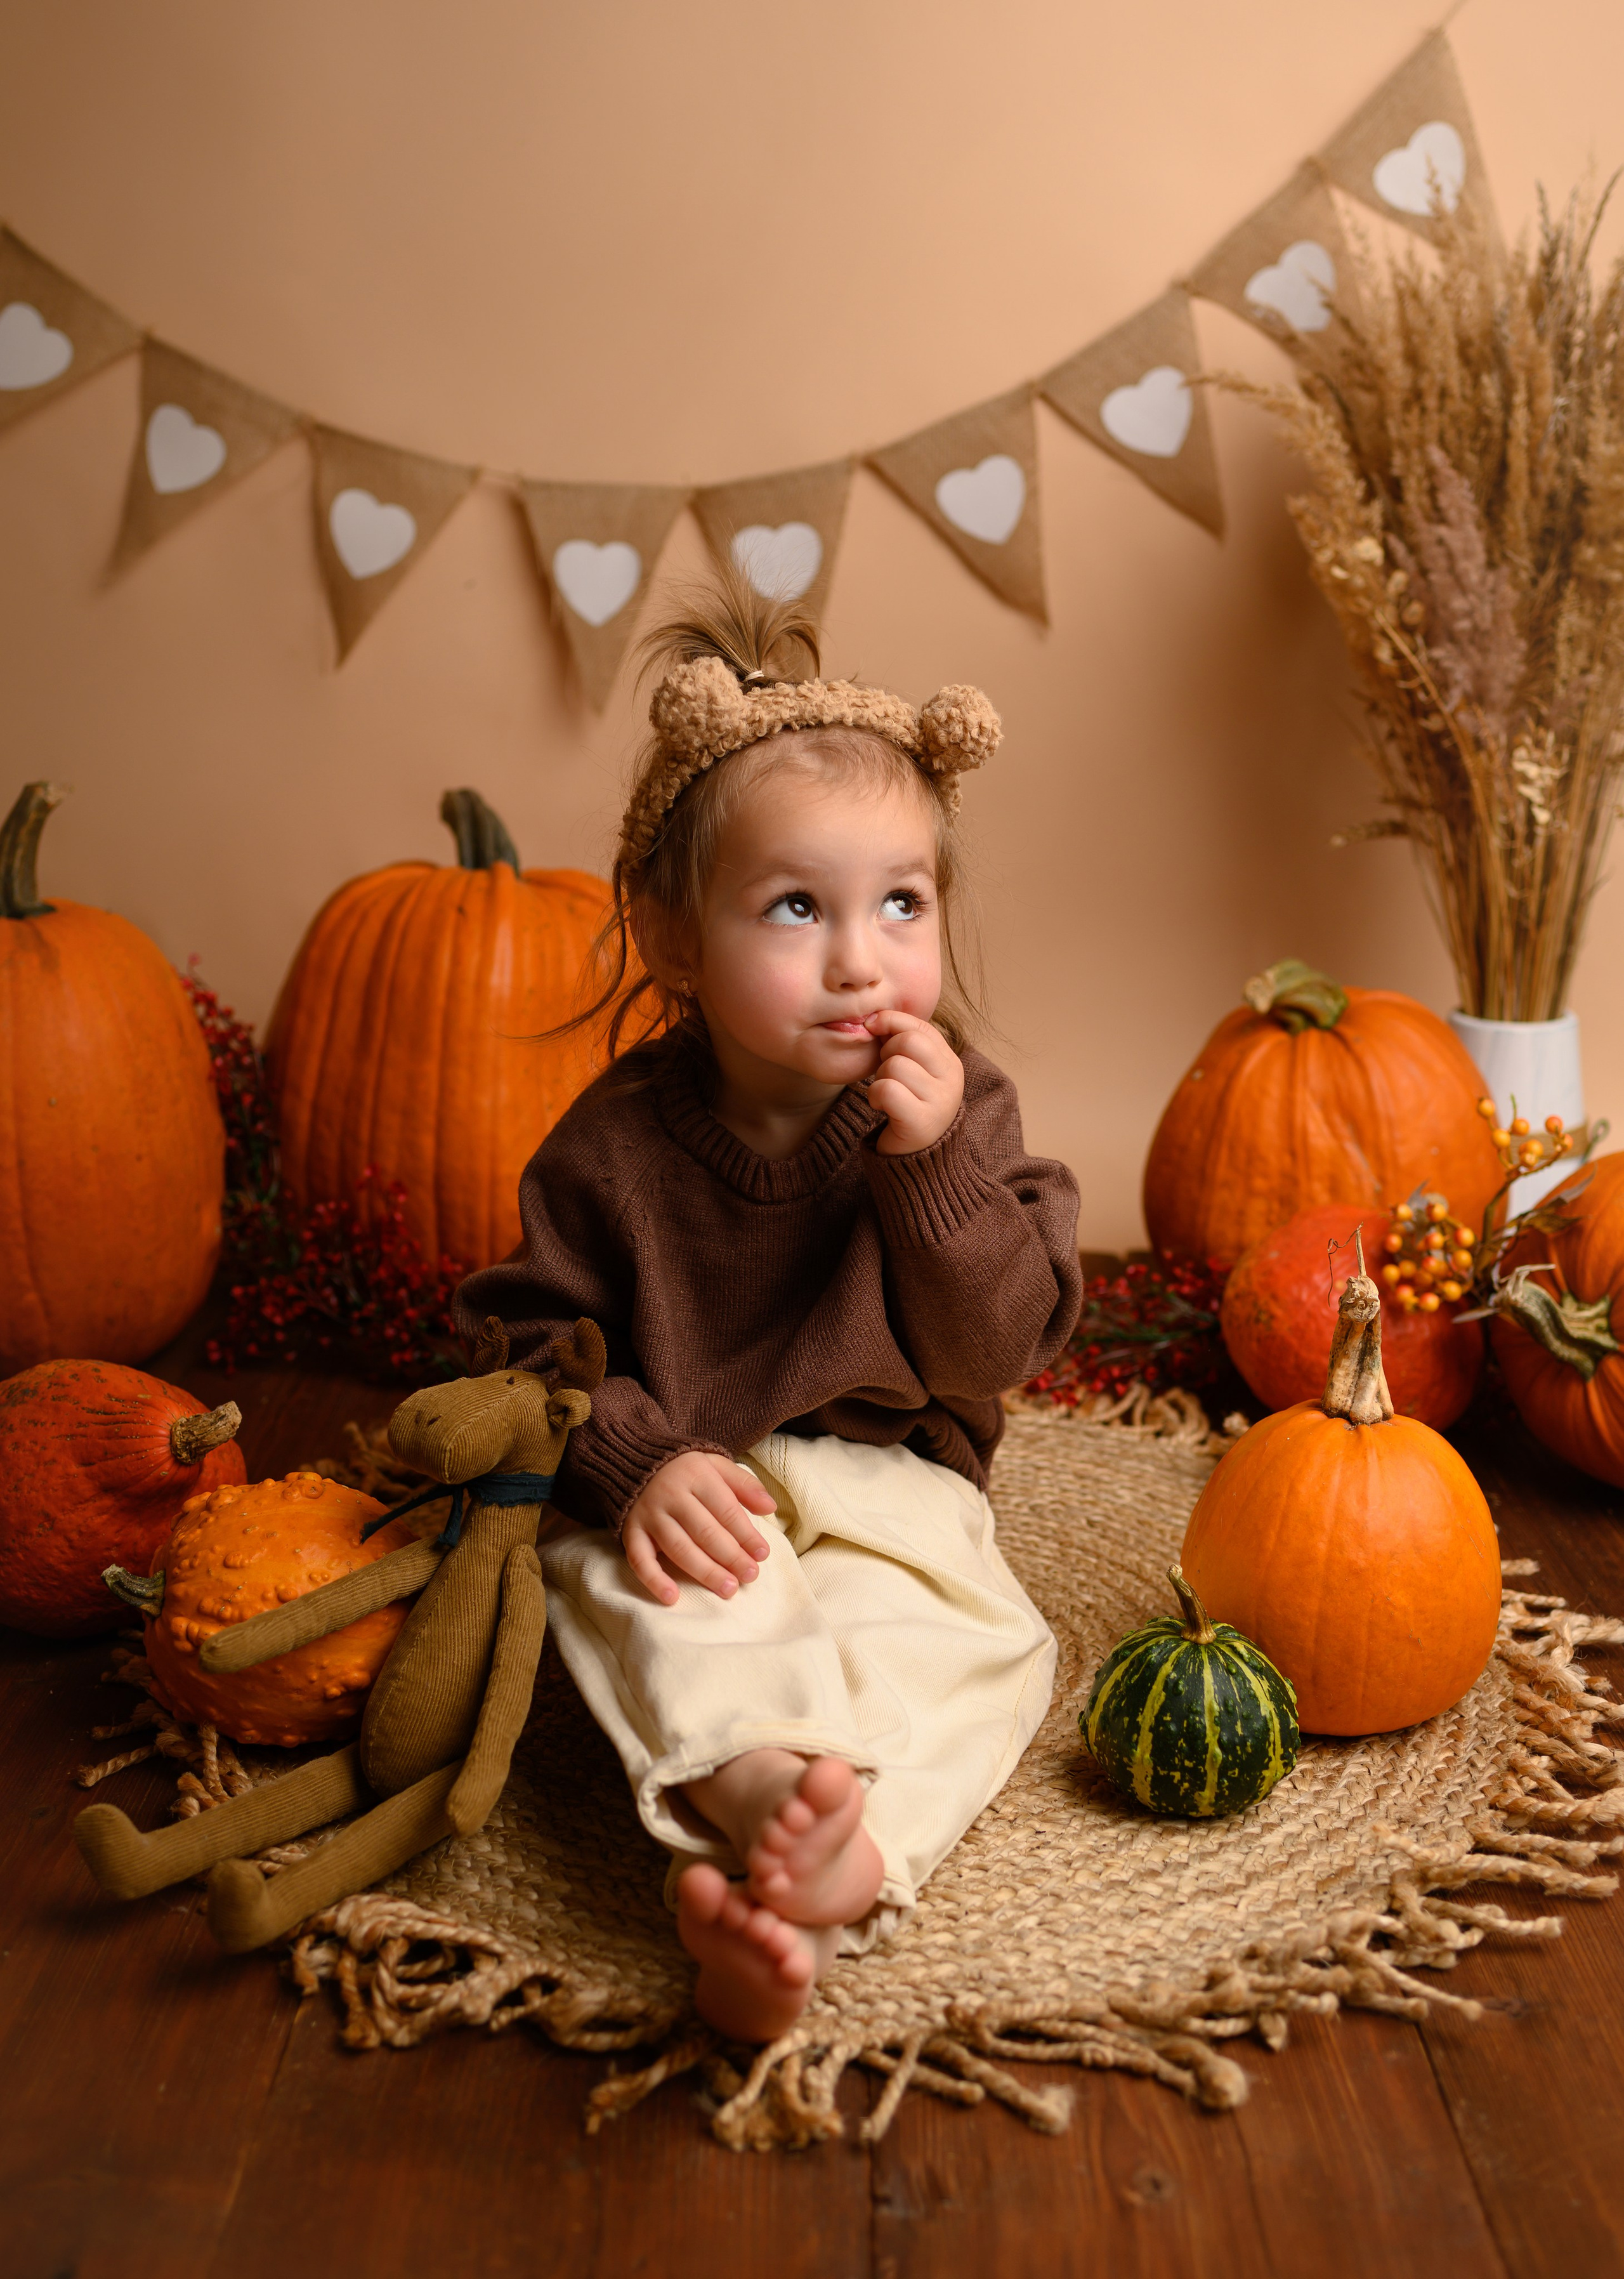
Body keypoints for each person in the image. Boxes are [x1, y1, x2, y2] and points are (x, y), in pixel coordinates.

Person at [455, 575, 1081, 2040]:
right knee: (657, 1608)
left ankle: (838, 1850)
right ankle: (757, 1798)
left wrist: (931, 1176)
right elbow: (514, 1345)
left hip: (889, 1477)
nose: (859, 957)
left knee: (971, 1644)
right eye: (796, 905)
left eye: (900, 903)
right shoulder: (611, 1145)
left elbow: (1000, 1348)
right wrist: (631, 1461)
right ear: (672, 940)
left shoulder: (957, 1109)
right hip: (691, 1478)